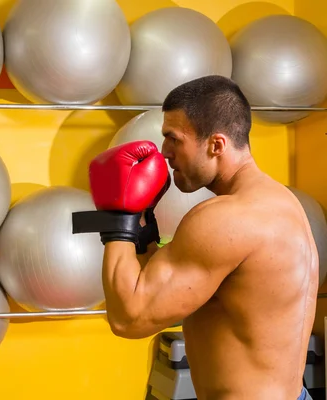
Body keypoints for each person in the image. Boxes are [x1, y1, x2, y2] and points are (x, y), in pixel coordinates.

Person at [72, 75, 318, 400]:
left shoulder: (226, 219)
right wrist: (142, 224)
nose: (164, 152)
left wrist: (119, 218)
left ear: (216, 145)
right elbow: (155, 290)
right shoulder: (283, 203)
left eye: (173, 139)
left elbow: (128, 318)